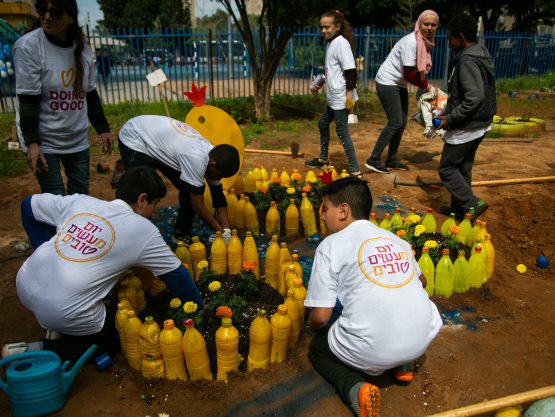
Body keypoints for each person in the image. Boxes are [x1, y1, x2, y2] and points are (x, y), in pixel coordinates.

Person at [1, 166, 204, 363]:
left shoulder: (81, 202)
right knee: (118, 336)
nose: (154, 210)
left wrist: (41, 249)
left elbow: (28, 205)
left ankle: (58, 323)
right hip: (62, 308)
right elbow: (178, 276)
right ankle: (40, 349)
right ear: (143, 199)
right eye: (155, 203)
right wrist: (200, 313)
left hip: (26, 282)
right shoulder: (143, 229)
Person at [305, 177, 442, 417]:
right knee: (401, 303)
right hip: (421, 338)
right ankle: (403, 364)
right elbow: (422, 282)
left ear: (344, 211)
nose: (324, 216)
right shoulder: (395, 239)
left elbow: (321, 316)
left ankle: (354, 388)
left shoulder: (330, 246)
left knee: (318, 349)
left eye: (326, 209)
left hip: (373, 349)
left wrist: (310, 326)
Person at [13, 0, 113, 195]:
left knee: (80, 197)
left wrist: (103, 129)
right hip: (44, 141)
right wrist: (32, 143)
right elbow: (27, 102)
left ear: (71, 17)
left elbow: (90, 94)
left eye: (56, 12)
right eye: (42, 10)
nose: (47, 17)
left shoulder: (83, 49)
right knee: (56, 200)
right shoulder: (28, 47)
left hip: (76, 139)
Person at [118, 115, 241, 244]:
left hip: (158, 143)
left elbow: (218, 197)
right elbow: (198, 207)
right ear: (212, 166)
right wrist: (220, 232)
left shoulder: (214, 157)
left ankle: (181, 232)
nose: (219, 179)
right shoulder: (196, 159)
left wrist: (227, 230)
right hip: (135, 137)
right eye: (220, 176)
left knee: (189, 189)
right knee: (144, 190)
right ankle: (141, 237)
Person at [436, 14, 495, 222]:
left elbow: (474, 98)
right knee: (462, 168)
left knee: (447, 168)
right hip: (480, 124)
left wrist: (449, 119)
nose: (449, 44)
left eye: (451, 39)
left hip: (467, 126)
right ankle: (459, 211)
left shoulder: (468, 60)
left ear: (460, 37)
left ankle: (471, 203)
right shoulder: (479, 53)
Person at [364, 10, 439, 174]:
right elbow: (409, 74)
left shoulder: (424, 42)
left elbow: (411, 73)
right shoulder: (412, 42)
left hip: (399, 84)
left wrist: (424, 86)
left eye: (433, 25)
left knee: (401, 122)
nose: (430, 28)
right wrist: (427, 86)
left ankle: (391, 160)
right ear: (419, 24)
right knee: (395, 122)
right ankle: (374, 159)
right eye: (426, 24)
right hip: (387, 81)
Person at [305, 10, 362, 177]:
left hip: (341, 97)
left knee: (342, 131)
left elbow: (351, 71)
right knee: (323, 124)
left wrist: (349, 96)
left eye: (327, 27)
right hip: (333, 96)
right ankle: (323, 159)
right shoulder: (331, 42)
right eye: (322, 27)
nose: (323, 30)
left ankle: (355, 169)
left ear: (337, 26)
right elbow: (332, 70)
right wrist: (320, 82)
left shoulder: (341, 43)